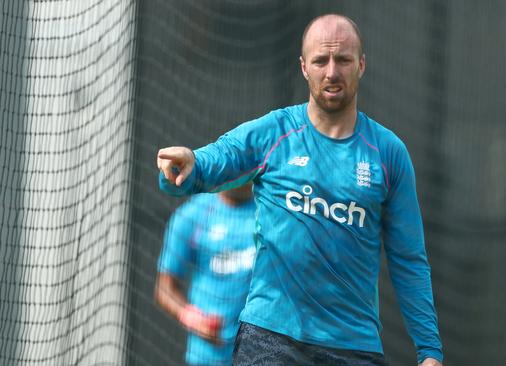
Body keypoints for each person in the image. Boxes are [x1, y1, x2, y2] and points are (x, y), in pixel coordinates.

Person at [157, 14, 443, 366]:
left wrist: (429, 350)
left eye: (343, 60)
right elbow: (220, 156)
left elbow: (409, 258)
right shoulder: (275, 132)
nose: (332, 72)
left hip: (352, 345)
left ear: (362, 65)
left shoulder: (388, 154)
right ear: (304, 67)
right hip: (270, 339)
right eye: (321, 60)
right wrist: (187, 164)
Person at [155, 183, 256, 365]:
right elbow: (165, 288)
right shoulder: (193, 214)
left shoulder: (271, 214)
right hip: (208, 357)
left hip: (260, 354)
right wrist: (194, 319)